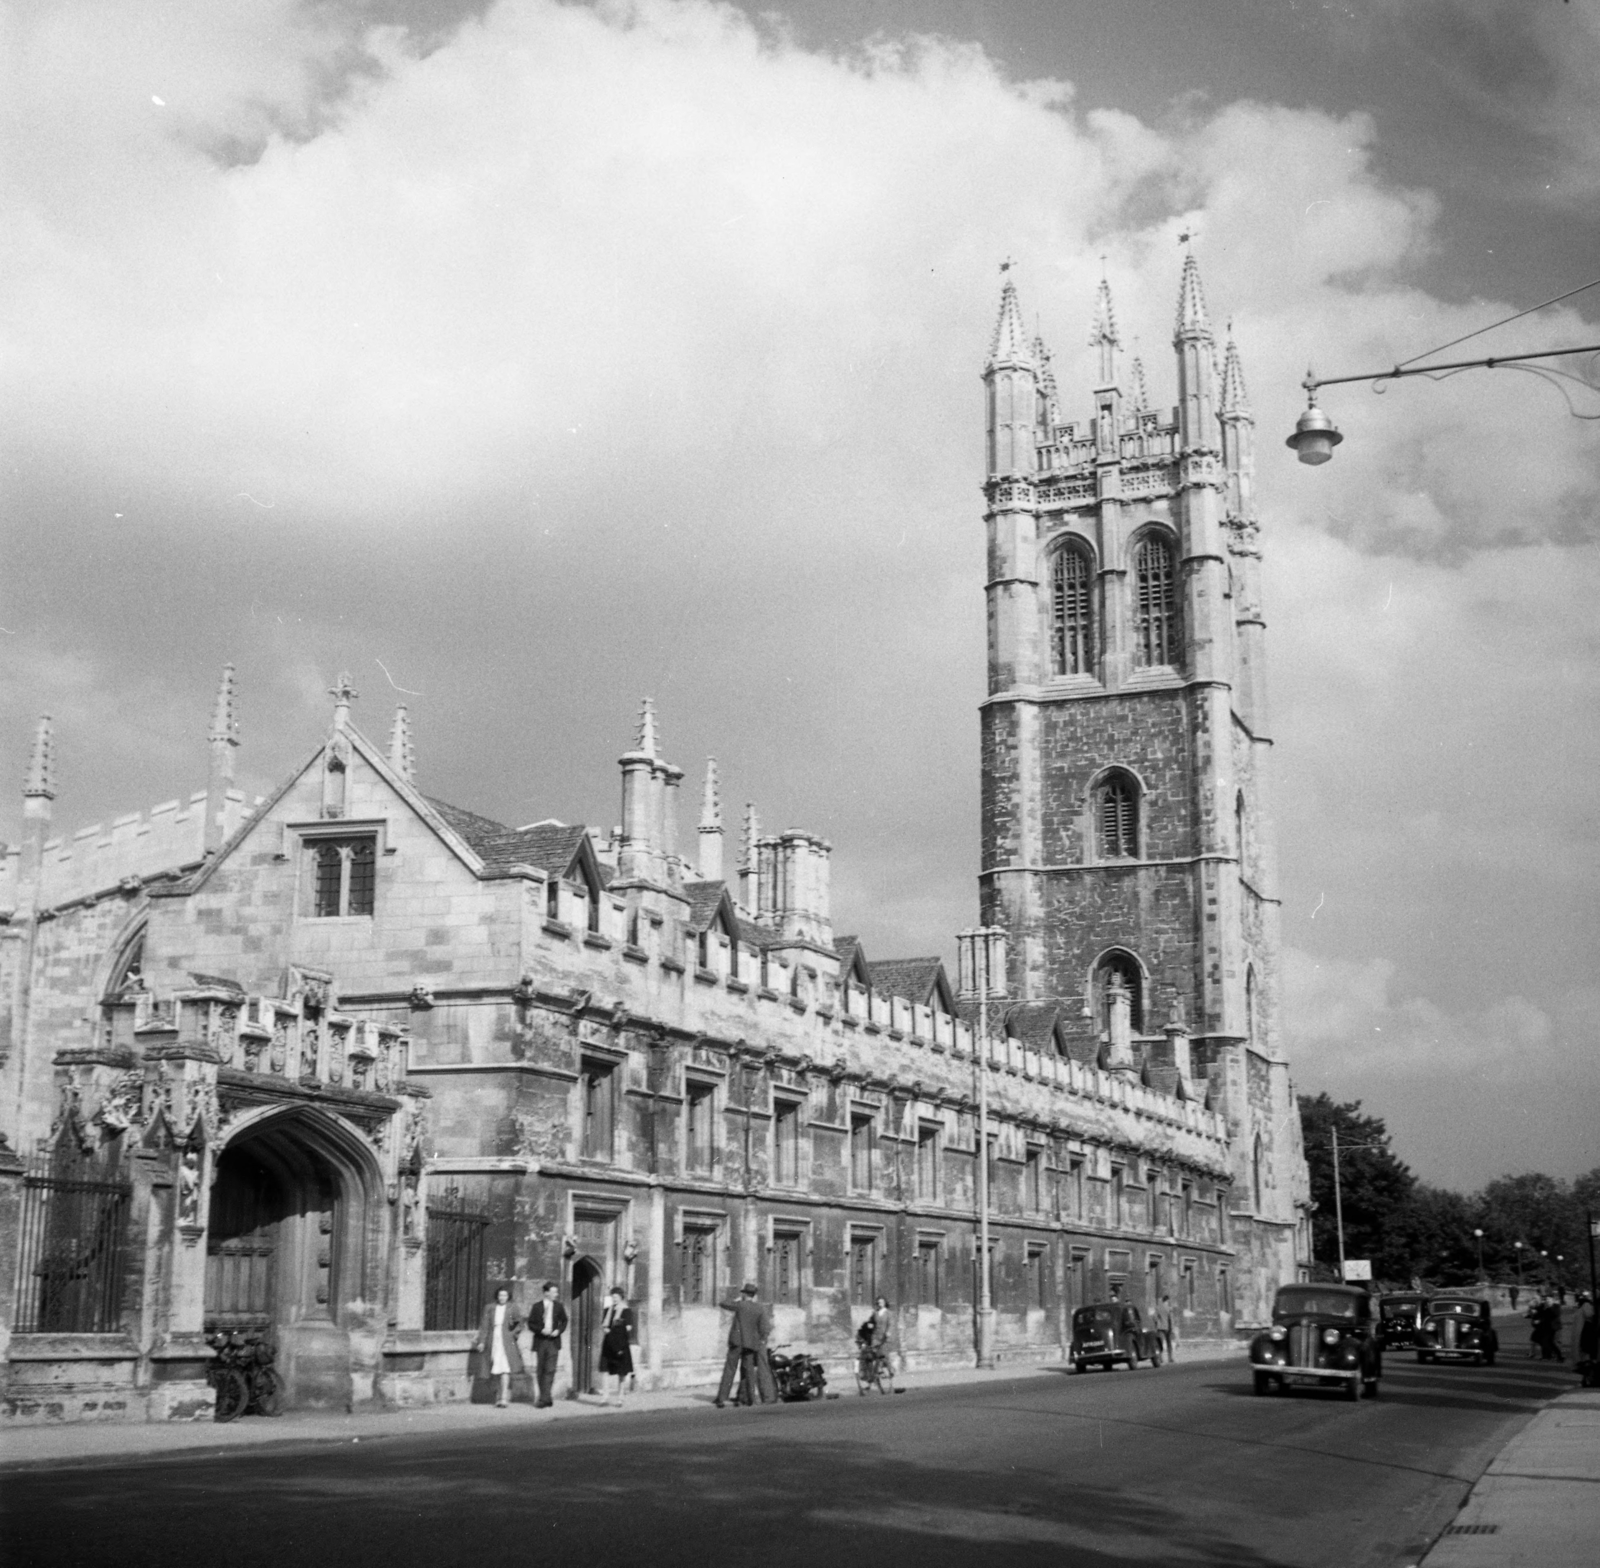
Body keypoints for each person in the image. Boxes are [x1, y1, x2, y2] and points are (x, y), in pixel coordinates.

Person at [715, 1282, 776, 1407]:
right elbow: (765, 1327)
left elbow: (723, 1303)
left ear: (744, 1294)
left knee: (730, 1369)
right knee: (749, 1371)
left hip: (737, 1342)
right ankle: (750, 1398)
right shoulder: (759, 1308)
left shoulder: (740, 1305)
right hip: (750, 1344)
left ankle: (722, 1397)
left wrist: (736, 1299)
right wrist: (762, 1339)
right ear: (753, 1295)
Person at [473, 1285, 524, 1409]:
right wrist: (481, 1341)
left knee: (505, 1367)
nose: (502, 1298)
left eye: (505, 1295)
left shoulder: (512, 1308)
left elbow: (520, 1323)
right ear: (497, 1296)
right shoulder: (489, 1308)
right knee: (495, 1367)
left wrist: (513, 1334)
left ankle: (504, 1397)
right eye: (500, 1295)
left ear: (508, 1297)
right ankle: (497, 1396)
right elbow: (484, 1325)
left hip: (506, 1340)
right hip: (493, 1338)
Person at [529, 1280, 569, 1407]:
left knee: (550, 1369)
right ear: (546, 1293)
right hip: (541, 1341)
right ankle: (545, 1396)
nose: (556, 1294)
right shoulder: (537, 1307)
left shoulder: (559, 1306)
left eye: (556, 1292)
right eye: (553, 1292)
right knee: (541, 1370)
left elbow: (564, 1321)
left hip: (553, 1342)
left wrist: (558, 1330)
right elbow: (531, 1324)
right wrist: (541, 1330)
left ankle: (544, 1398)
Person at [598, 1285, 635, 1406]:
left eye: (616, 1297)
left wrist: (614, 1330)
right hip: (608, 1344)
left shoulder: (626, 1311)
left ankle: (620, 1398)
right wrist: (611, 1330)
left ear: (621, 1297)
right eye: (612, 1297)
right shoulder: (607, 1310)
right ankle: (605, 1397)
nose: (614, 1299)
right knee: (605, 1370)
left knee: (621, 1371)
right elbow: (604, 1326)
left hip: (621, 1344)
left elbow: (628, 1327)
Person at [857, 1295, 894, 1385]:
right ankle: (874, 1373)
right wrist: (869, 1326)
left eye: (881, 1302)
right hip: (875, 1337)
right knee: (871, 1355)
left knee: (883, 1354)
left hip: (884, 1337)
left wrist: (888, 1332)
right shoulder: (875, 1313)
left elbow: (891, 1324)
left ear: (885, 1303)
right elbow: (870, 1322)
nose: (879, 1304)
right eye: (878, 1302)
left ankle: (890, 1369)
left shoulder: (888, 1313)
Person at [1153, 1293, 1177, 1363]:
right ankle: (1170, 1358)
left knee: (1160, 1343)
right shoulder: (1169, 1308)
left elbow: (1154, 1317)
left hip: (1160, 1328)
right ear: (1167, 1300)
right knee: (1169, 1344)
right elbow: (1171, 1319)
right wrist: (1171, 1328)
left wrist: (1157, 1323)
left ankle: (1160, 1358)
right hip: (1167, 1328)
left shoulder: (1158, 1307)